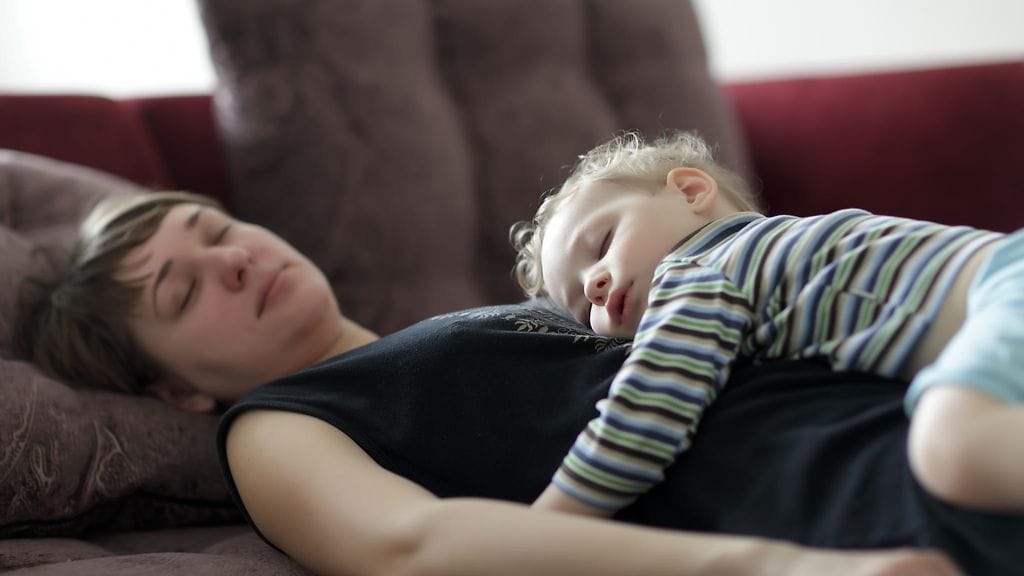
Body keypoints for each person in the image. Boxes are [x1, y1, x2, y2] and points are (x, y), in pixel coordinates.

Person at [12, 190, 964, 576]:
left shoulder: (512, 309)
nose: (232, 263)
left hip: (930, 394)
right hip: (843, 505)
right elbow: (415, 546)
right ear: (176, 391)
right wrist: (788, 571)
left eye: (216, 231)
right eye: (181, 292)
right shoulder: (279, 426)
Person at [511, 130, 1024, 521]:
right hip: (1003, 278)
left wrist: (547, 522)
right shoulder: (776, 262)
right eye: (583, 308)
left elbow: (644, 415)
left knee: (950, 447)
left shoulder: (698, 267)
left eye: (600, 245)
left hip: (1002, 289)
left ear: (691, 191)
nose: (596, 286)